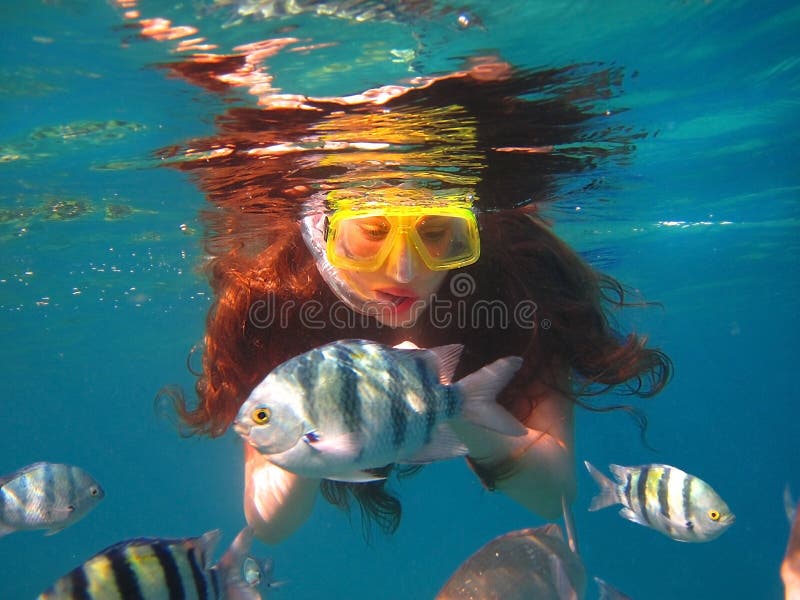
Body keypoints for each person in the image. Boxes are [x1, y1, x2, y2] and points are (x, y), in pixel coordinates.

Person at [136, 11, 671, 544]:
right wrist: (306, 424)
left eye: (438, 233)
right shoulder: (277, 298)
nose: (404, 269)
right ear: (323, 229)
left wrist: (454, 408)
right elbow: (267, 521)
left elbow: (553, 494)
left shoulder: (517, 280)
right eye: (370, 232)